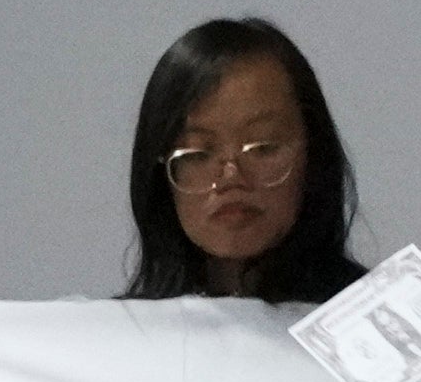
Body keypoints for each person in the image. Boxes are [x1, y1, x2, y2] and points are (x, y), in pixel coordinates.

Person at [122, 20, 367, 307]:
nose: (231, 177)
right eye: (196, 153)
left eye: (262, 147)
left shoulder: (380, 323)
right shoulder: (126, 338)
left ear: (313, 156)